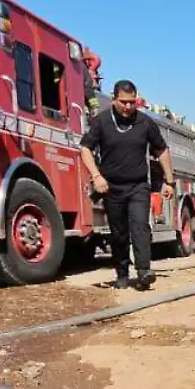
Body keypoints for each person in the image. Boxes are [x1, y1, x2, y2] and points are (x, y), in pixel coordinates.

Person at [79, 80, 175, 290]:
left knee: (140, 226)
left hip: (138, 185)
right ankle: (122, 272)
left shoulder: (145, 122)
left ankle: (144, 271)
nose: (128, 107)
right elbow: (85, 149)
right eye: (124, 102)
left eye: (132, 102)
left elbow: (161, 150)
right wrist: (96, 176)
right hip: (112, 187)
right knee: (119, 233)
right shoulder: (102, 121)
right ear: (114, 100)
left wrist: (169, 181)